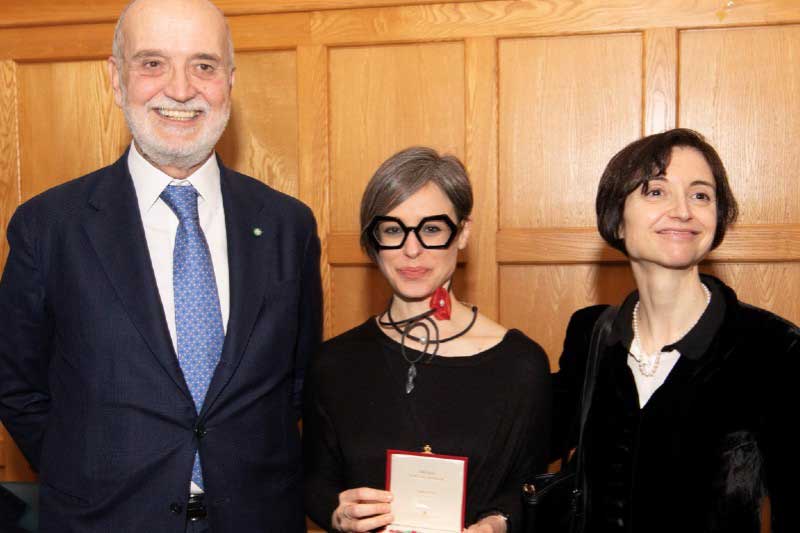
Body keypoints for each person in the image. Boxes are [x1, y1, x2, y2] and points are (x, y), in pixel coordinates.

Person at [0, 0, 321, 531]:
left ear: (229, 81)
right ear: (116, 78)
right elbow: (17, 385)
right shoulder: (47, 227)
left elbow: (296, 382)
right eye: (152, 63)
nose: (179, 89)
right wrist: (89, 475)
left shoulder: (289, 226)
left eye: (203, 65)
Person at [552, 128, 798, 533]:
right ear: (616, 219)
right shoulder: (590, 334)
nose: (683, 210)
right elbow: (522, 441)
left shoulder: (774, 349)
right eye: (656, 192)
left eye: (701, 195)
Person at [303, 147, 551, 533]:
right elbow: (316, 482)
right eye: (392, 229)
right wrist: (339, 514)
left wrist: (495, 526)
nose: (411, 249)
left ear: (463, 232)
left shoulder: (520, 364)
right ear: (374, 240)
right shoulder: (333, 363)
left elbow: (529, 487)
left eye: (432, 229)